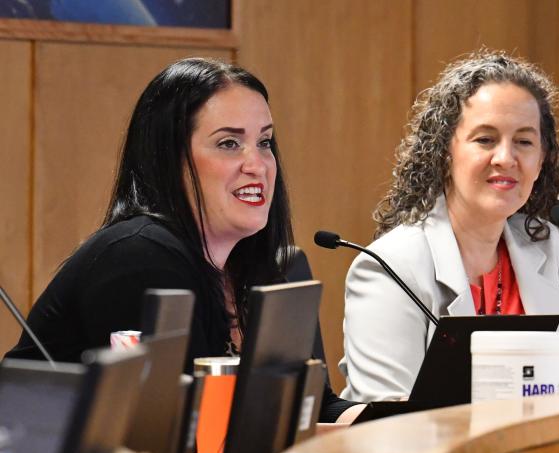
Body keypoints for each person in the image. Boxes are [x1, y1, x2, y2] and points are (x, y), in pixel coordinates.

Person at [5, 57, 352, 420]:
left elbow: (313, 406)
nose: (258, 164)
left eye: (264, 142)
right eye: (229, 143)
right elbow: (188, 429)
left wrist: (406, 423)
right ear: (170, 159)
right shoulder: (139, 256)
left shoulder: (258, 268)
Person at [339, 51, 559, 405]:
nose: (505, 158)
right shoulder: (390, 265)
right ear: (445, 151)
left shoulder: (548, 245)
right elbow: (387, 419)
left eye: (524, 142)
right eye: (485, 139)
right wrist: (528, 393)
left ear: (542, 158)